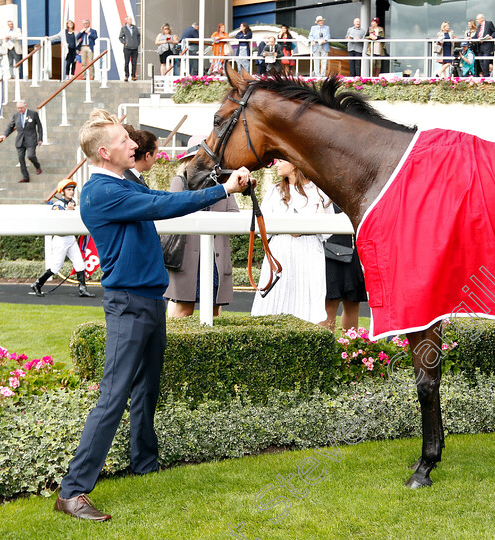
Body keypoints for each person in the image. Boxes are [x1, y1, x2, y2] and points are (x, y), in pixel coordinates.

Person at [53, 109, 250, 522]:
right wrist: (224, 189)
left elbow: (162, 199)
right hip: (127, 303)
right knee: (113, 397)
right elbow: (167, 207)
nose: (133, 144)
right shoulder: (101, 191)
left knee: (146, 388)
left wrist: (219, 182)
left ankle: (145, 461)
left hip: (147, 299)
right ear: (105, 152)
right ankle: (72, 491)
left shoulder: (125, 180)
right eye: (124, 140)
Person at [251, 159, 333, 323]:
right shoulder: (275, 191)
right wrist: (287, 228)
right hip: (280, 250)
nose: (276, 164)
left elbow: (328, 229)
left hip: (309, 251)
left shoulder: (319, 191)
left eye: (280, 160)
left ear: (294, 164)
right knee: (274, 304)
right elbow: (261, 225)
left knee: (309, 304)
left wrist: (307, 228)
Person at [165, 141, 239, 318]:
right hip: (187, 258)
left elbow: (234, 216)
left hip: (215, 257)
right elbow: (173, 215)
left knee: (214, 311)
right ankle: (178, 345)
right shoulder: (180, 181)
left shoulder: (222, 184)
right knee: (183, 310)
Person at [30, 179, 95, 298]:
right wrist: (68, 212)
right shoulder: (57, 205)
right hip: (60, 240)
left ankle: (82, 289)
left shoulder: (72, 203)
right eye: (69, 190)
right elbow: (58, 222)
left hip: (70, 238)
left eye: (72, 190)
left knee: (80, 264)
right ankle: (37, 284)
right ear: (62, 192)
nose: (71, 192)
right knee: (55, 267)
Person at [323, 203, 367, 333]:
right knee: (330, 305)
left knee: (353, 302)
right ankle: (325, 350)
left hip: (352, 253)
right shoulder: (322, 193)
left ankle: (348, 348)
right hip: (329, 253)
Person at [0, 100, 42, 183]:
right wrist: (5, 135)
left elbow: (39, 126)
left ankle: (37, 166)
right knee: (21, 159)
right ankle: (26, 177)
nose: (19, 109)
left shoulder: (33, 114)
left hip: (31, 139)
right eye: (18, 108)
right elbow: (10, 126)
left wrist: (40, 138)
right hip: (20, 140)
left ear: (25, 106)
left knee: (31, 155)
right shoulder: (16, 116)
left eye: (21, 108)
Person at [118, 16, 140, 81]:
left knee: (134, 62)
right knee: (127, 62)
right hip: (127, 48)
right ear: (126, 20)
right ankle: (126, 76)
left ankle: (133, 75)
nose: (131, 20)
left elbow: (138, 36)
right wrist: (125, 42)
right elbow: (120, 37)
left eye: (131, 19)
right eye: (129, 19)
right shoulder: (123, 28)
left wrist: (137, 43)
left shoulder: (135, 28)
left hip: (135, 48)